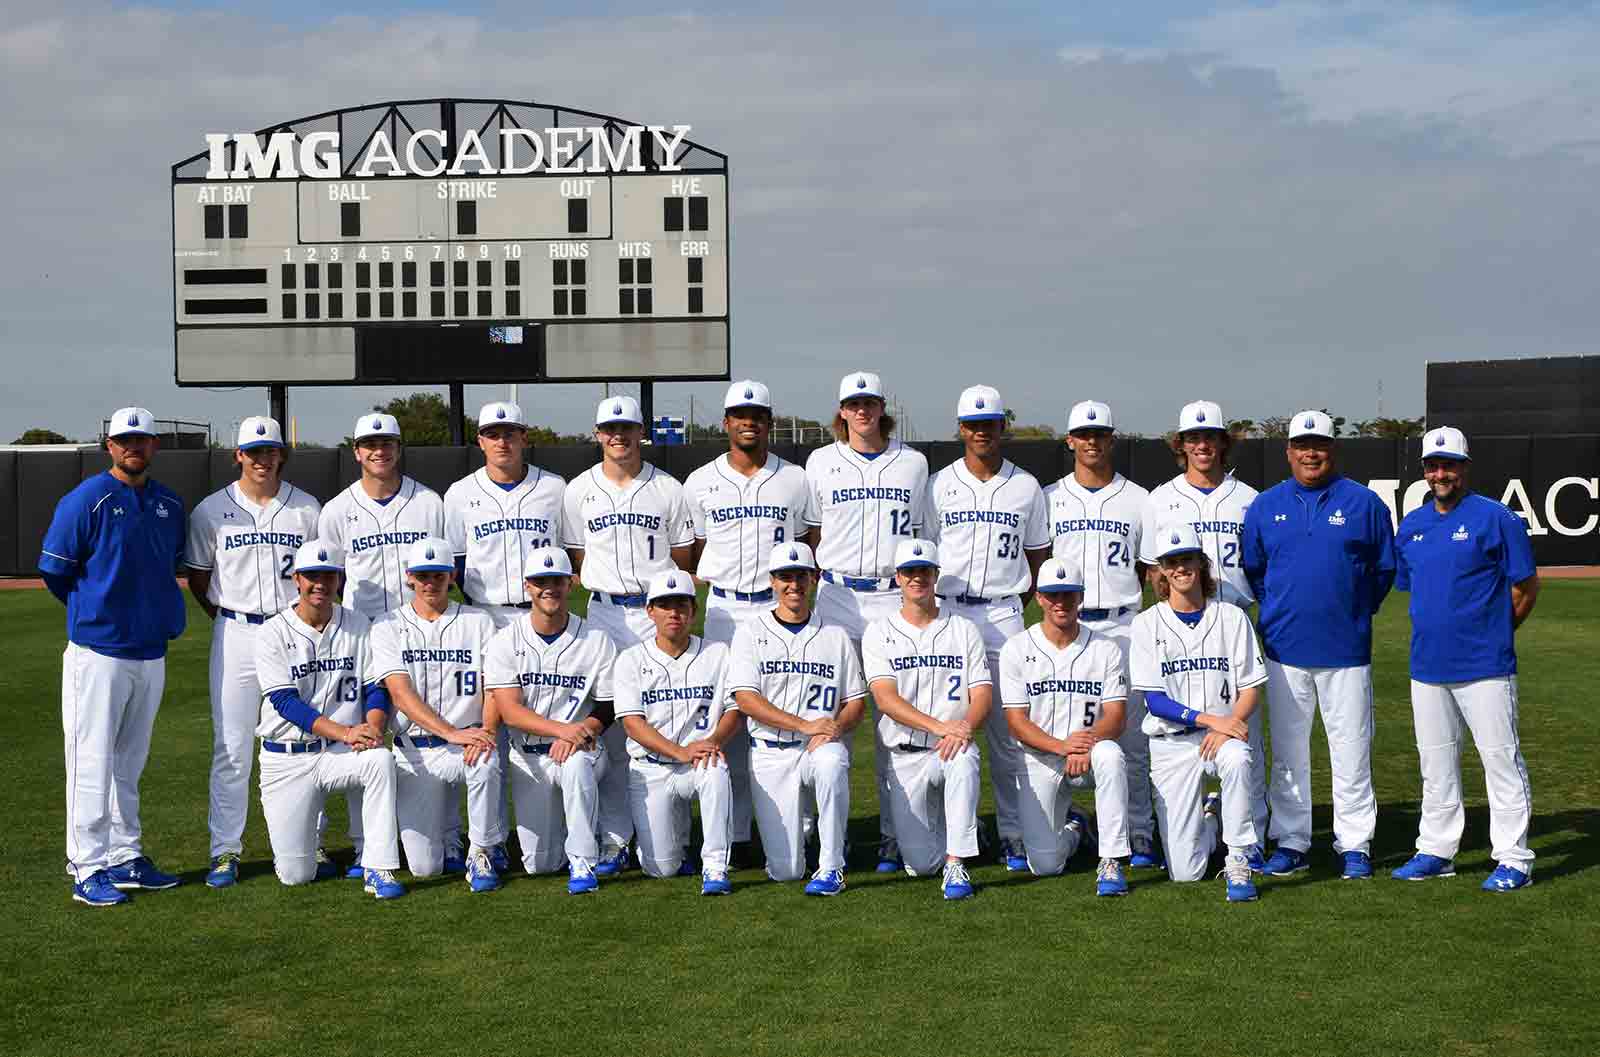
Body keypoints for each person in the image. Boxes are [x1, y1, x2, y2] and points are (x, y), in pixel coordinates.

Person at [40, 406, 187, 907]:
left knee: (129, 763)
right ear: (109, 445)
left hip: (150, 651)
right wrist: (95, 612)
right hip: (98, 652)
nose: (133, 447)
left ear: (154, 445)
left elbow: (168, 565)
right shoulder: (86, 499)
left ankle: (125, 856)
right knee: (90, 762)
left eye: (142, 439)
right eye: (124, 439)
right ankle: (86, 866)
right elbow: (56, 572)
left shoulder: (168, 503)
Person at [1241, 410, 1396, 881]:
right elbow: (1256, 570)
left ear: (1334, 449)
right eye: (1302, 445)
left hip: (1346, 649)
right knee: (1288, 754)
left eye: (1320, 445)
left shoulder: (1365, 503)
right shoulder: (1266, 506)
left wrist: (1349, 609)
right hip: (1285, 650)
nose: (1312, 453)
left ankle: (1354, 843)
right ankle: (1291, 840)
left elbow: (1382, 572)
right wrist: (1282, 612)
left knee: (1350, 750)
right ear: (1288, 451)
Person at [1392, 427, 1539, 891]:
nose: (1441, 473)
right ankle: (1437, 850)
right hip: (1428, 666)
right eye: (1433, 466)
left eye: (1449, 465)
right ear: (1424, 471)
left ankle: (1514, 858)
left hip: (1485, 665)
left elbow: (1526, 586)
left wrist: (1495, 632)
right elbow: (1416, 590)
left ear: (1465, 466)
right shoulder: (1412, 524)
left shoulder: (1496, 518)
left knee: (1500, 760)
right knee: (1435, 764)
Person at [185, 415, 323, 889]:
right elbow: (200, 580)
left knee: (307, 737)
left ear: (281, 454)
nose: (263, 460)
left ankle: (313, 840)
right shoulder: (210, 510)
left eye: (271, 451)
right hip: (238, 630)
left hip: (294, 630)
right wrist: (229, 622)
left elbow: (319, 577)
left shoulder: (306, 508)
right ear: (238, 455)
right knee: (233, 746)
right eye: (254, 451)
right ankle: (225, 851)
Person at [562, 394, 694, 876]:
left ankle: (673, 835)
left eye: (627, 428)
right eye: (609, 429)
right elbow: (577, 557)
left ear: (643, 433)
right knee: (613, 729)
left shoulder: (669, 488)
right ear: (598, 434)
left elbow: (683, 559)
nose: (618, 436)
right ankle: (615, 837)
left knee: (673, 718)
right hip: (604, 613)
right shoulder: (578, 490)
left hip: (655, 612)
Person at [803, 370, 929, 873]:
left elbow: (922, 531)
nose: (862, 411)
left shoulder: (914, 464)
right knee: (828, 714)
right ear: (841, 411)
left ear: (882, 408)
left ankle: (894, 834)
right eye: (853, 404)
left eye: (869, 402)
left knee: (893, 720)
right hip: (835, 594)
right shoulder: (820, 461)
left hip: (892, 596)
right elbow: (810, 533)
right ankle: (817, 831)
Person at [925, 385, 1048, 873]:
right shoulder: (938, 484)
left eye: (990, 423)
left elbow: (1038, 557)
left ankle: (1014, 833)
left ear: (1003, 427)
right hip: (948, 612)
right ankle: (944, 831)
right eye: (972, 424)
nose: (981, 431)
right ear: (960, 429)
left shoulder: (1026, 487)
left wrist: (1014, 602)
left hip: (1001, 613)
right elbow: (926, 552)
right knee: (942, 720)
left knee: (1006, 732)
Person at [685, 379, 811, 855]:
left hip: (779, 602)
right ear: (726, 423)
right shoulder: (700, 481)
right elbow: (690, 551)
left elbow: (807, 542)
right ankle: (736, 833)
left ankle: (799, 826)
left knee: (794, 704)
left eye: (757, 415)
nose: (748, 422)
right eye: (740, 414)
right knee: (731, 716)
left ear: (768, 422)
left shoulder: (794, 478)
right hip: (725, 606)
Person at [316, 411, 445, 875]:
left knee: (426, 730)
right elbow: (329, 577)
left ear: (397, 447)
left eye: (387, 442)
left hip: (418, 630)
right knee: (362, 733)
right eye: (370, 443)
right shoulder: (336, 510)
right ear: (356, 451)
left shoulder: (429, 502)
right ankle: (365, 843)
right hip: (363, 633)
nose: (379, 450)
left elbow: (445, 568)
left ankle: (441, 836)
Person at [1139, 400, 1266, 862]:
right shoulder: (1160, 499)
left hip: (1232, 619)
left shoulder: (1249, 498)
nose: (1202, 445)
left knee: (1245, 737)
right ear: (1182, 445)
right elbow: (1152, 568)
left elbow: (1261, 565)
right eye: (1193, 438)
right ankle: (1193, 819)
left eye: (1210, 436)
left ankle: (1249, 840)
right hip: (1180, 624)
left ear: (1222, 442)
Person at [444, 399, 566, 869]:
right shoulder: (459, 494)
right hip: (485, 616)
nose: (502, 441)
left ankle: (552, 828)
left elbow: (571, 556)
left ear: (524, 436)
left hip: (539, 616)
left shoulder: (555, 489)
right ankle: (487, 840)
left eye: (510, 432)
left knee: (544, 718)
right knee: (486, 731)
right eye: (493, 434)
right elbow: (454, 564)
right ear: (480, 441)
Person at [254, 540, 405, 899]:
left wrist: (372, 726)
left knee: (380, 761)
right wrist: (348, 731)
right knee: (296, 875)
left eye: (328, 575)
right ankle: (305, 853)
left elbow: (375, 687)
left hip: (339, 753)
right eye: (311, 576)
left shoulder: (358, 624)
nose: (319, 584)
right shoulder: (271, 632)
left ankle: (378, 865)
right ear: (296, 580)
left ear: (340, 579)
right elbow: (285, 703)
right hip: (286, 758)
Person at [1045, 399, 1159, 871]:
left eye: (1100, 434)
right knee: (1058, 729)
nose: (1091, 441)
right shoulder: (1050, 496)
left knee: (1129, 738)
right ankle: (1059, 823)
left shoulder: (1139, 499)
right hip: (1067, 622)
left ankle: (1138, 830)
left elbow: (1151, 568)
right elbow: (1039, 563)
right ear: (1070, 441)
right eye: (1083, 434)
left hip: (1122, 622)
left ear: (1112, 439)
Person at [1129, 524, 1266, 903]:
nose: (1180, 568)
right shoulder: (1145, 624)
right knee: (1186, 873)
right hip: (1171, 745)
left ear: (1201, 564)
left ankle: (1239, 858)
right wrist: (1213, 721)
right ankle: (1211, 816)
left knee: (1238, 760)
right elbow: (1155, 702)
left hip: (1222, 738)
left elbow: (1251, 686)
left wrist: (1227, 727)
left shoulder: (1232, 618)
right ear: (1160, 571)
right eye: (1172, 562)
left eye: (1187, 559)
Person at [725, 542, 868, 895]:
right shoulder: (750, 632)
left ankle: (832, 865)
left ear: (815, 579)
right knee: (786, 871)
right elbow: (746, 699)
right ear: (772, 582)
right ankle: (802, 840)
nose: (794, 585)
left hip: (817, 747)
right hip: (771, 752)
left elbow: (856, 702)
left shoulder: (835, 635)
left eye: (801, 576)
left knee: (833, 761)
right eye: (785, 577)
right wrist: (803, 724)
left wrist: (837, 726)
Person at [482, 547, 619, 895]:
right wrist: (564, 730)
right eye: (541, 581)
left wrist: (579, 734)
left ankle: (584, 861)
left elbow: (608, 704)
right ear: (527, 586)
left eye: (556, 581)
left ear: (570, 583)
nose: (549, 589)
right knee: (539, 863)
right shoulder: (505, 641)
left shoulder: (596, 639)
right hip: (528, 756)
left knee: (576, 767)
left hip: (583, 748)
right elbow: (510, 712)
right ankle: (577, 834)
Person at [370, 538, 504, 892]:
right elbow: (399, 692)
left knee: (486, 761)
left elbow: (494, 688)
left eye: (439, 575)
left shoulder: (479, 622)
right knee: (424, 868)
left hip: (467, 742)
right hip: (414, 749)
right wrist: (450, 733)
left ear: (452, 577)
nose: (431, 583)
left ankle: (481, 851)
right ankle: (448, 836)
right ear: (410, 577)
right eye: (424, 575)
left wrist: (487, 730)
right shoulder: (386, 625)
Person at [861, 540, 991, 901]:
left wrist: (964, 727)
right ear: (898, 579)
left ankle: (957, 861)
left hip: (952, 747)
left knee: (965, 759)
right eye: (909, 572)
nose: (917, 578)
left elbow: (982, 695)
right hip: (906, 754)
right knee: (919, 865)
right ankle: (962, 830)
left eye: (924, 571)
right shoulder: (879, 631)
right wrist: (940, 727)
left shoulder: (963, 628)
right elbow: (885, 700)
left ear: (936, 576)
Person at [1000, 556, 1132, 896]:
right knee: (1044, 865)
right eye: (1053, 595)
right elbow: (1016, 722)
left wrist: (1085, 744)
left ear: (1081, 597)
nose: (1061, 602)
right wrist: (1062, 747)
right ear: (1040, 598)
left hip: (1090, 753)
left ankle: (1111, 858)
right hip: (1041, 756)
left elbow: (1117, 716)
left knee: (1111, 755)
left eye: (1069, 594)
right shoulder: (1017, 648)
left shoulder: (1105, 647)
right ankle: (1076, 827)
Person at [613, 569, 738, 895]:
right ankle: (666, 844)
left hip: (699, 761)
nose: (674, 613)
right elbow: (631, 723)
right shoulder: (630, 660)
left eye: (681, 605)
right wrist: (680, 751)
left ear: (693, 611)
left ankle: (715, 867)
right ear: (649, 610)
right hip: (651, 767)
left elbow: (735, 709)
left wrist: (712, 741)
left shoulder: (718, 653)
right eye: (665, 605)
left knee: (716, 769)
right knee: (661, 869)